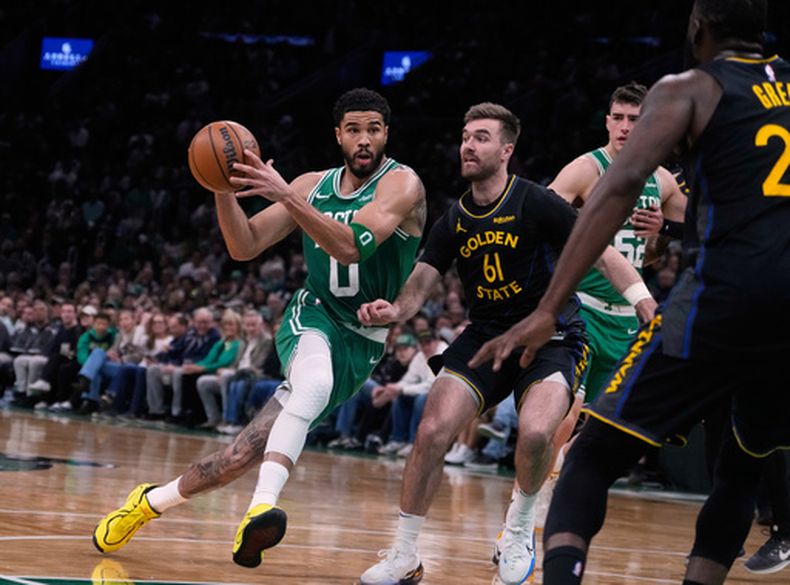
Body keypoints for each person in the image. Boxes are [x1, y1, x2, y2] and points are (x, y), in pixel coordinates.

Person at [469, 2, 790, 583]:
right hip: (777, 316)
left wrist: (544, 308)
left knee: (590, 456)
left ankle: (557, 570)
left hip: (714, 305)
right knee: (742, 467)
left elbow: (618, 190)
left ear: (698, 29)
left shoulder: (692, 87)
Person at [92, 88, 426, 570]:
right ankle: (261, 509)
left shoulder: (403, 185)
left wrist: (286, 194)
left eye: (373, 128)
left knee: (236, 457)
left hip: (361, 342)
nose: (364, 139)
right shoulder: (313, 184)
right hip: (312, 315)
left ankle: (148, 502)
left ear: (386, 134)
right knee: (314, 382)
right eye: (353, 129)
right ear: (338, 136)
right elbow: (244, 245)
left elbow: (351, 247)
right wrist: (222, 188)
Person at [357, 102, 655, 585]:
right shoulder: (453, 219)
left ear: (506, 149)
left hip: (553, 334)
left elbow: (599, 252)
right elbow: (420, 284)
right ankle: (405, 553)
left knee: (537, 433)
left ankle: (516, 531)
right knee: (432, 431)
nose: (468, 146)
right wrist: (394, 309)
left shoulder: (536, 202)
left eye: (480, 137)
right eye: (465, 136)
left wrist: (642, 300)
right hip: (486, 336)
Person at [549, 81, 687, 406]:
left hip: (628, 316)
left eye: (634, 119)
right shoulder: (587, 168)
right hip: (582, 307)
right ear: (607, 121)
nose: (625, 127)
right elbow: (539, 215)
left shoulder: (663, 180)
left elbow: (694, 232)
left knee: (605, 426)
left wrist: (664, 229)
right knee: (564, 413)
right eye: (618, 117)